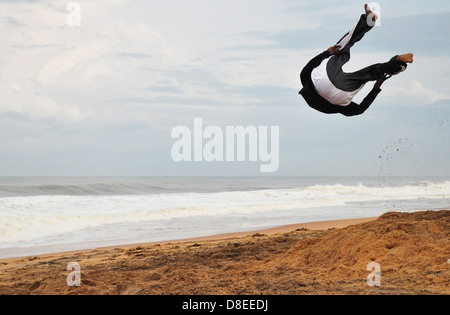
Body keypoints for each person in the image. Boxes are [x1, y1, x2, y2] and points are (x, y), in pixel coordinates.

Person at [299, 4, 414, 117]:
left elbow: (360, 109)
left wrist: (376, 86)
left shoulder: (332, 106)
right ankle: (368, 21)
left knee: (370, 73)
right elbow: (304, 72)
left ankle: (399, 62)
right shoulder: (306, 82)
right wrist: (327, 53)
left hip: (340, 96)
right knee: (340, 49)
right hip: (321, 81)